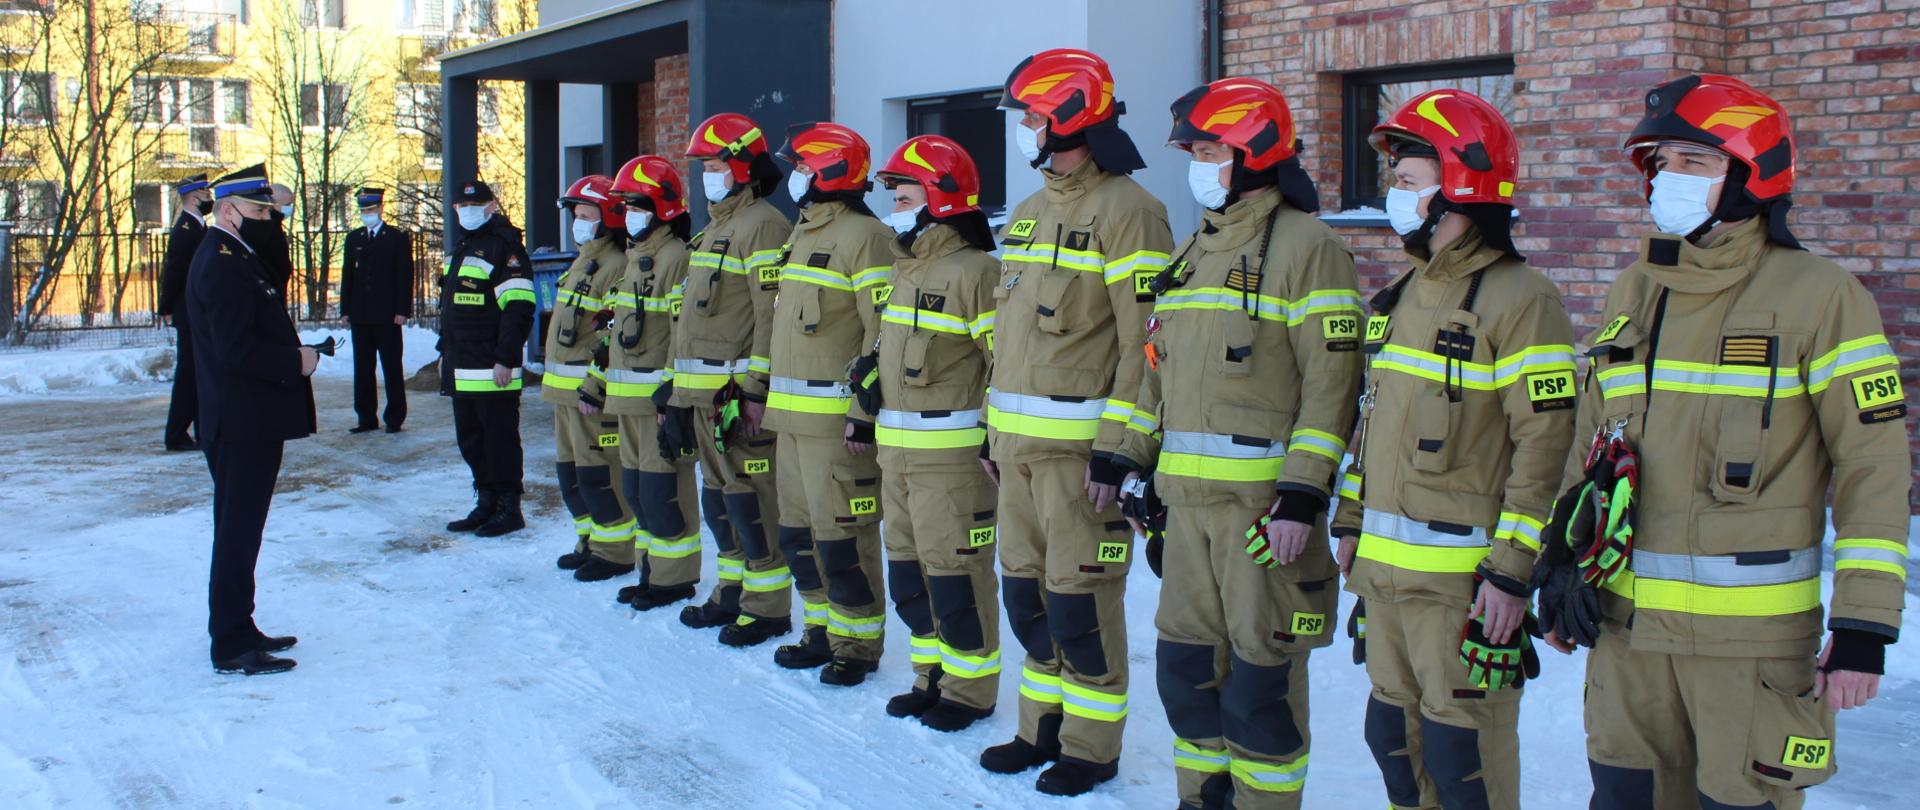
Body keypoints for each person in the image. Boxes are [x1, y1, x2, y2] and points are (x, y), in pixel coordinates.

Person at [1534, 74, 1909, 810]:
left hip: (1749, 649)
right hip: (1628, 642)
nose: (1667, 179)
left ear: (1750, 176)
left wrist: (1864, 623)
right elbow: (1592, 440)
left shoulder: (1822, 296)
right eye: (1660, 163)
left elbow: (1874, 464)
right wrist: (1560, 557)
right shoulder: (1636, 289)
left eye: (1693, 162)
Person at [1121, 77, 1364, 809]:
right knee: (1186, 674)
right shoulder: (1195, 249)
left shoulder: (1309, 247)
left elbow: (1333, 383)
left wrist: (1303, 494)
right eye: (1193, 153)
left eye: (1208, 151)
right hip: (1187, 510)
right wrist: (1135, 463)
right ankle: (1200, 799)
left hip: (1262, 516)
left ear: (1254, 152)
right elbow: (1157, 371)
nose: (1197, 167)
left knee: (1261, 686)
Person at [1330, 89, 1576, 810]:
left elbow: (1546, 446)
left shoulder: (1521, 299)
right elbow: (1373, 423)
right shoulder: (1404, 295)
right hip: (1385, 577)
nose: (1393, 195)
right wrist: (1352, 520)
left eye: (1408, 181)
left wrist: (1511, 573)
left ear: (1459, 188)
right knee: (1393, 741)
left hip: (1462, 586)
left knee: (1461, 755)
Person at [978, 48, 1174, 796]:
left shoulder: (1131, 212)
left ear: (1067, 117)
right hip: (1017, 449)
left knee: (1079, 603)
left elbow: (1144, 345)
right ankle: (1040, 730)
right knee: (1028, 598)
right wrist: (993, 432)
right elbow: (1010, 337)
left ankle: (1090, 748)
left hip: (1080, 457)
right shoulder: (1029, 212)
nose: (1023, 129)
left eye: (1031, 115)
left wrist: (1120, 452)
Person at [866, 135, 1004, 730]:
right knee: (909, 576)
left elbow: (1003, 363)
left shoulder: (977, 272)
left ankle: (969, 692)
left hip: (951, 461)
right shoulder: (905, 270)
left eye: (903, 197)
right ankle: (930, 676)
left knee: (956, 579)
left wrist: (994, 437)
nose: (894, 208)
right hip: (896, 453)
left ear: (941, 198)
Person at [762, 122, 896, 685]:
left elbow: (881, 333)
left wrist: (863, 415)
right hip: (791, 421)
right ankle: (820, 629)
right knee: (800, 535)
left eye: (801, 167)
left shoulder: (865, 237)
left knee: (843, 538)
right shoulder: (802, 232)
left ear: (830, 171)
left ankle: (856, 644)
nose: (794, 176)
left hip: (835, 426)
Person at [664, 112, 795, 645]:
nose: (707, 177)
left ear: (743, 167)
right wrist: (677, 395)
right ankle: (732, 591)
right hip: (701, 397)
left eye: (715, 166)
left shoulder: (762, 225)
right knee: (720, 501)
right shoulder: (713, 229)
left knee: (752, 501)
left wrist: (757, 389)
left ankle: (767, 607)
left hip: (735, 398)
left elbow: (769, 315)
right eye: (703, 168)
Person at [186, 163, 319, 675]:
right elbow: (235, 349)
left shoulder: (235, 254)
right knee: (237, 532)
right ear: (228, 211)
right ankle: (231, 643)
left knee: (242, 530)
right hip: (240, 422)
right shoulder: (221, 263)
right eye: (260, 213)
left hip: (248, 418)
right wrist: (295, 361)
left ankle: (240, 626)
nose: (269, 221)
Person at [586, 155, 702, 611]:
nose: (629, 214)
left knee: (663, 493)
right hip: (627, 402)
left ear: (661, 208)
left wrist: (671, 392)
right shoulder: (635, 259)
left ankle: (674, 578)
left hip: (655, 403)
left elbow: (681, 333)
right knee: (637, 491)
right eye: (626, 206)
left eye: (637, 206)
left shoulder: (676, 258)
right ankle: (649, 572)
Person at [545, 175, 638, 582]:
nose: (578, 223)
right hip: (564, 394)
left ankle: (614, 551)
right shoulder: (583, 260)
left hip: (588, 394)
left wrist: (596, 385)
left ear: (608, 218)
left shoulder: (615, 265)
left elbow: (610, 334)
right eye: (576, 216)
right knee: (573, 475)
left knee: (600, 474)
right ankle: (588, 540)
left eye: (586, 216)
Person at [440, 180, 537, 537]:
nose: (468, 212)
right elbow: (450, 310)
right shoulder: (462, 248)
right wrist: (443, 352)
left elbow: (519, 307)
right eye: (462, 206)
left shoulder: (505, 248)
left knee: (499, 441)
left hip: (493, 367)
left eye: (475, 205)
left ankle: (509, 508)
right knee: (471, 439)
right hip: (463, 364)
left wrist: (506, 358)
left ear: (492, 206)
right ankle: (486, 502)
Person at [339, 187, 414, 434]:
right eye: (363, 210)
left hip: (387, 315)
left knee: (391, 367)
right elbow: (348, 276)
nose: (367, 214)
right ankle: (366, 417)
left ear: (381, 208)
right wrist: (345, 309)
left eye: (371, 209)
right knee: (363, 368)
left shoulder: (396, 238)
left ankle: (395, 417)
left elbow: (405, 276)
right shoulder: (355, 238)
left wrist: (402, 310)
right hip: (361, 315)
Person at [158, 173, 212, 452]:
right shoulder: (186, 230)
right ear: (193, 198)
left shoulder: (198, 227)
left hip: (196, 311)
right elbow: (174, 271)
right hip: (188, 312)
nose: (210, 199)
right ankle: (176, 434)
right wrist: (166, 306)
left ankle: (204, 431)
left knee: (199, 373)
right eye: (206, 195)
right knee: (189, 375)